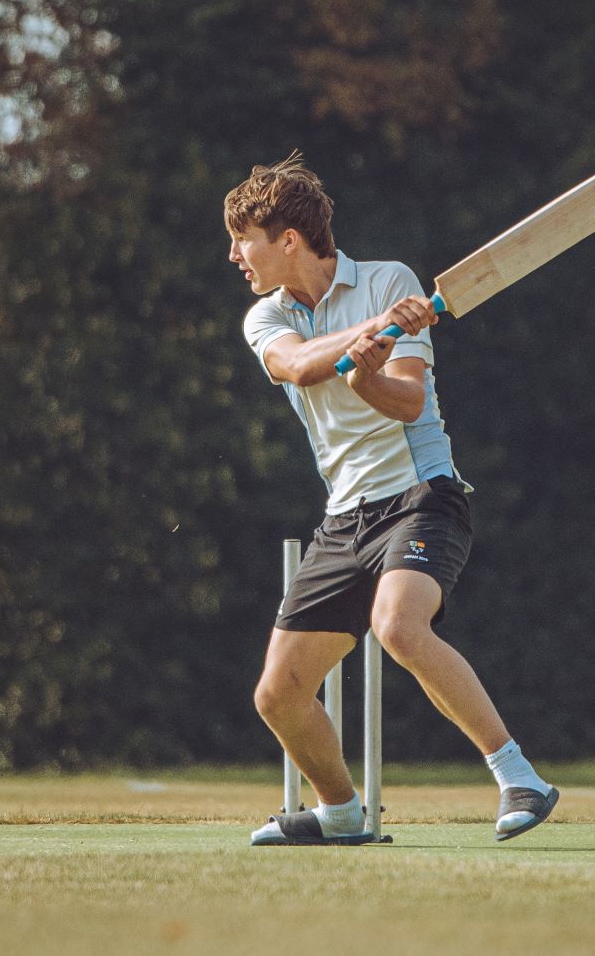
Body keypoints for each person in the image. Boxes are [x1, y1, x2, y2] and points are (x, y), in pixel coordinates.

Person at [226, 153, 558, 846]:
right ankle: (341, 811)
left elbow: (406, 401)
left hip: (420, 495)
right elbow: (295, 364)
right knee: (276, 693)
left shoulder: (388, 280)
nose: (234, 255)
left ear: (286, 238)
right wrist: (373, 333)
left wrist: (368, 368)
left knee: (399, 627)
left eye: (243, 239)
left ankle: (518, 776)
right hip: (343, 517)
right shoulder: (265, 317)